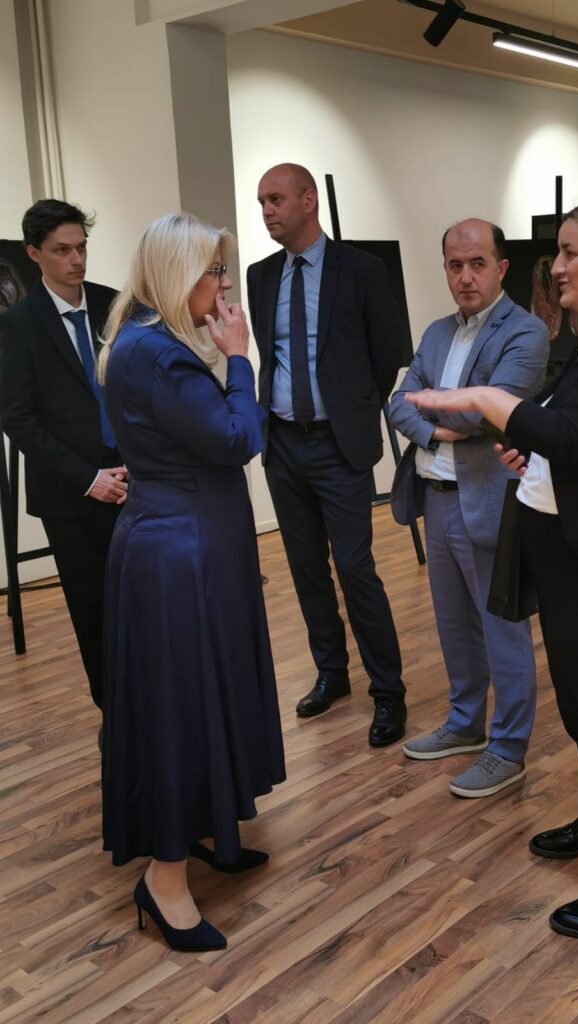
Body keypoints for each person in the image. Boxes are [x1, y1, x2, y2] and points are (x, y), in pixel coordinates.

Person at [405, 196, 578, 939]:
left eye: (569, 252)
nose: (555, 267)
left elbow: (573, 434)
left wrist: (483, 397)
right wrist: (531, 451)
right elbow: (572, 437)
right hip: (572, 553)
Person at [98, 212, 286, 952]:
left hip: (188, 543)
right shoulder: (155, 353)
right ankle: (164, 881)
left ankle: (212, 830)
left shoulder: (148, 342)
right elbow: (238, 438)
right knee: (181, 704)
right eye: (216, 272)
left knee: (207, 690)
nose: (224, 286)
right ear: (181, 274)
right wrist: (240, 360)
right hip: (180, 555)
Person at [247, 163, 407, 747]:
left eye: (276, 199)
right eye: (261, 202)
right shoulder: (260, 275)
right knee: (305, 566)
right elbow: (270, 353)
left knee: (355, 568)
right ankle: (331, 672)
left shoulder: (360, 270)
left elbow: (388, 353)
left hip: (338, 445)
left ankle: (387, 690)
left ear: (309, 200)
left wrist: (350, 408)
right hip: (283, 444)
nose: (267, 210)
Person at [389, 218, 548, 797]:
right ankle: (464, 724)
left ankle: (508, 748)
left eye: (478, 264)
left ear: (501, 268)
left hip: (490, 502)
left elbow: (490, 411)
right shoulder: (437, 333)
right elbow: (398, 402)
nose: (466, 276)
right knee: (454, 626)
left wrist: (434, 407)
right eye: (455, 265)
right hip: (436, 498)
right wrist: (435, 427)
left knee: (501, 630)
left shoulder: (526, 332)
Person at [0, 200, 124, 717]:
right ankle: (114, 718)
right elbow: (17, 418)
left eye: (81, 248)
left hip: (134, 479)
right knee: (93, 613)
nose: (76, 260)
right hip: (72, 495)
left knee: (147, 601)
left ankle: (157, 708)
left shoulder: (115, 303)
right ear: (34, 254)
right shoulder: (17, 324)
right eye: (61, 251)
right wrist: (89, 479)